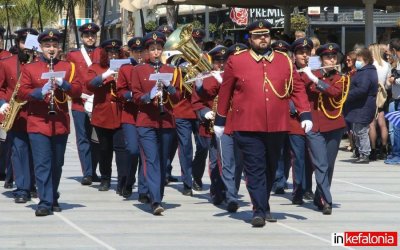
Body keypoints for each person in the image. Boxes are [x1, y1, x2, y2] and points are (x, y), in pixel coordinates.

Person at [214, 20, 312, 227]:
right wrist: (220, 120)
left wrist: (305, 114)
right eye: (258, 36)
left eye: (266, 35)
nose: (263, 39)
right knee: (255, 167)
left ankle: (263, 204)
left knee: (270, 167)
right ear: (249, 38)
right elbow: (226, 91)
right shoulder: (236, 60)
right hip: (247, 123)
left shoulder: (284, 60)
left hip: (277, 124)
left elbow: (297, 89)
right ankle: (259, 210)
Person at [18, 29, 82, 216]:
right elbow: (22, 92)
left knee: (57, 163)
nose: (51, 49)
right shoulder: (30, 68)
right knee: (42, 163)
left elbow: (78, 90)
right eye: (47, 46)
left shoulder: (68, 67)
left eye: (54, 46)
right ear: (40, 48)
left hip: (60, 121)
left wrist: (65, 85)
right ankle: (45, 201)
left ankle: (52, 195)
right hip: (38, 122)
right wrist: (40, 92)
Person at [131, 31, 181, 215]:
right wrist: (148, 96)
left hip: (166, 120)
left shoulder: (171, 70)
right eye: (152, 49)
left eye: (159, 48)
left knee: (162, 161)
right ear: (146, 51)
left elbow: (177, 98)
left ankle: (158, 194)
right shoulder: (139, 70)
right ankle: (155, 199)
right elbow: (135, 96)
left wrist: (169, 88)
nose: (156, 52)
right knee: (151, 160)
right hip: (146, 121)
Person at [301, 43, 350, 214]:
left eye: (334, 57)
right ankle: (327, 200)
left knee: (328, 164)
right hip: (314, 126)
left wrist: (316, 80)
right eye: (328, 57)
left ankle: (320, 195)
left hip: (334, 125)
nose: (331, 60)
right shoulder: (310, 74)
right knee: (320, 163)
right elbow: (297, 86)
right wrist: (307, 72)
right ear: (321, 59)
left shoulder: (341, 78)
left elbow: (335, 93)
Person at [0, 28, 39, 203]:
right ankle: (22, 188)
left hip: (38, 114)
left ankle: (33, 185)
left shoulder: (41, 63)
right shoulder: (7, 63)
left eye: (31, 43)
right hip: (16, 114)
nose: (27, 47)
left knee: (37, 152)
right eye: (24, 42)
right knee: (18, 151)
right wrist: (3, 103)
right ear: (18, 43)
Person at [86, 39, 129, 194]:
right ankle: (105, 178)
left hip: (121, 113)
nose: (113, 55)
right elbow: (89, 85)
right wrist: (106, 75)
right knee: (104, 149)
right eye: (110, 52)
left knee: (121, 149)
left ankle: (123, 182)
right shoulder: (96, 67)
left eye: (116, 52)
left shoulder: (126, 67)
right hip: (102, 115)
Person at [66, 22, 101, 185]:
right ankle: (87, 172)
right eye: (87, 35)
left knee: (97, 139)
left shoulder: (102, 53)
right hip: (80, 102)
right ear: (82, 37)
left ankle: (94, 170)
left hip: (99, 102)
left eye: (92, 35)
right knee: (83, 138)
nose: (90, 38)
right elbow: (70, 77)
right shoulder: (74, 55)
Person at [116, 36, 149, 201]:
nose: (139, 54)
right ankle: (128, 180)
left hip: (147, 114)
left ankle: (143, 190)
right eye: (136, 51)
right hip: (130, 114)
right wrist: (131, 95)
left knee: (145, 151)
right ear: (130, 52)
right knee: (133, 150)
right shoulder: (125, 68)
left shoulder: (150, 68)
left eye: (141, 51)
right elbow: (119, 91)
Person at [287, 37, 315, 205]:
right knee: (297, 157)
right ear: (294, 55)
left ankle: (308, 188)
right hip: (295, 121)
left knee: (311, 158)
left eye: (307, 52)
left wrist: (314, 76)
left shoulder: (316, 71)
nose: (305, 56)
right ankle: (298, 190)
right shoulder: (289, 72)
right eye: (301, 53)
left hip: (313, 120)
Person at [368, 43, 391, 160]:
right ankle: (384, 148)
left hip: (371, 95)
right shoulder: (386, 65)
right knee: (382, 123)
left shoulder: (370, 66)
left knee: (372, 124)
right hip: (382, 95)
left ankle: (372, 149)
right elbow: (387, 84)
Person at [385, 38, 400, 164]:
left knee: (397, 128)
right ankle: (395, 152)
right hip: (396, 99)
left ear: (394, 50)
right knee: (395, 127)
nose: (388, 54)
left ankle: (397, 155)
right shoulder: (397, 63)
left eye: (390, 51)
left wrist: (394, 80)